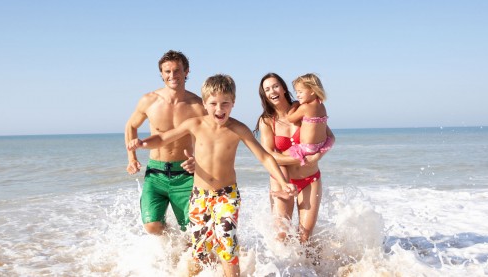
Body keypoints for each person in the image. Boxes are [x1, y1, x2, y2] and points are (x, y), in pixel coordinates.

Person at [129, 74, 296, 277]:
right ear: (205, 104)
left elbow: (265, 157)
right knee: (200, 249)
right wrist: (143, 143)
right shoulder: (195, 124)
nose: (219, 109)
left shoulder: (238, 129)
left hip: (227, 195)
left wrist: (282, 181)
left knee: (227, 242)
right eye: (213, 103)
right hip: (199, 195)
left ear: (233, 103)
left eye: (225, 103)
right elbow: (163, 138)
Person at [124, 50, 206, 235]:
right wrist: (132, 157)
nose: (172, 75)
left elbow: (209, 138)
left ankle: (186, 255)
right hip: (155, 173)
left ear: (186, 71)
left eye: (177, 70)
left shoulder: (198, 105)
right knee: (152, 226)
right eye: (167, 71)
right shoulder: (149, 100)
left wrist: (199, 160)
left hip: (185, 174)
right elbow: (131, 126)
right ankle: (172, 248)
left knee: (192, 230)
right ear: (161, 74)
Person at [254, 72, 335, 244]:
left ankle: (310, 270)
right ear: (264, 95)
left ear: (283, 88)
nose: (272, 91)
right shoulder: (267, 121)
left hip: (310, 179)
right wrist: (302, 159)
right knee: (282, 236)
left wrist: (318, 155)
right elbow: (268, 156)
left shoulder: (304, 108)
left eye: (275, 86)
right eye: (266, 89)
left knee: (305, 237)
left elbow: (330, 136)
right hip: (282, 180)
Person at [286, 73, 334, 166]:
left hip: (307, 148)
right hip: (321, 145)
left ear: (312, 91)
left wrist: (294, 105)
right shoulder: (321, 106)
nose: (297, 95)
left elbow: (290, 119)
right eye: (296, 92)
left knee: (280, 157)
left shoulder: (305, 107)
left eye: (300, 92)